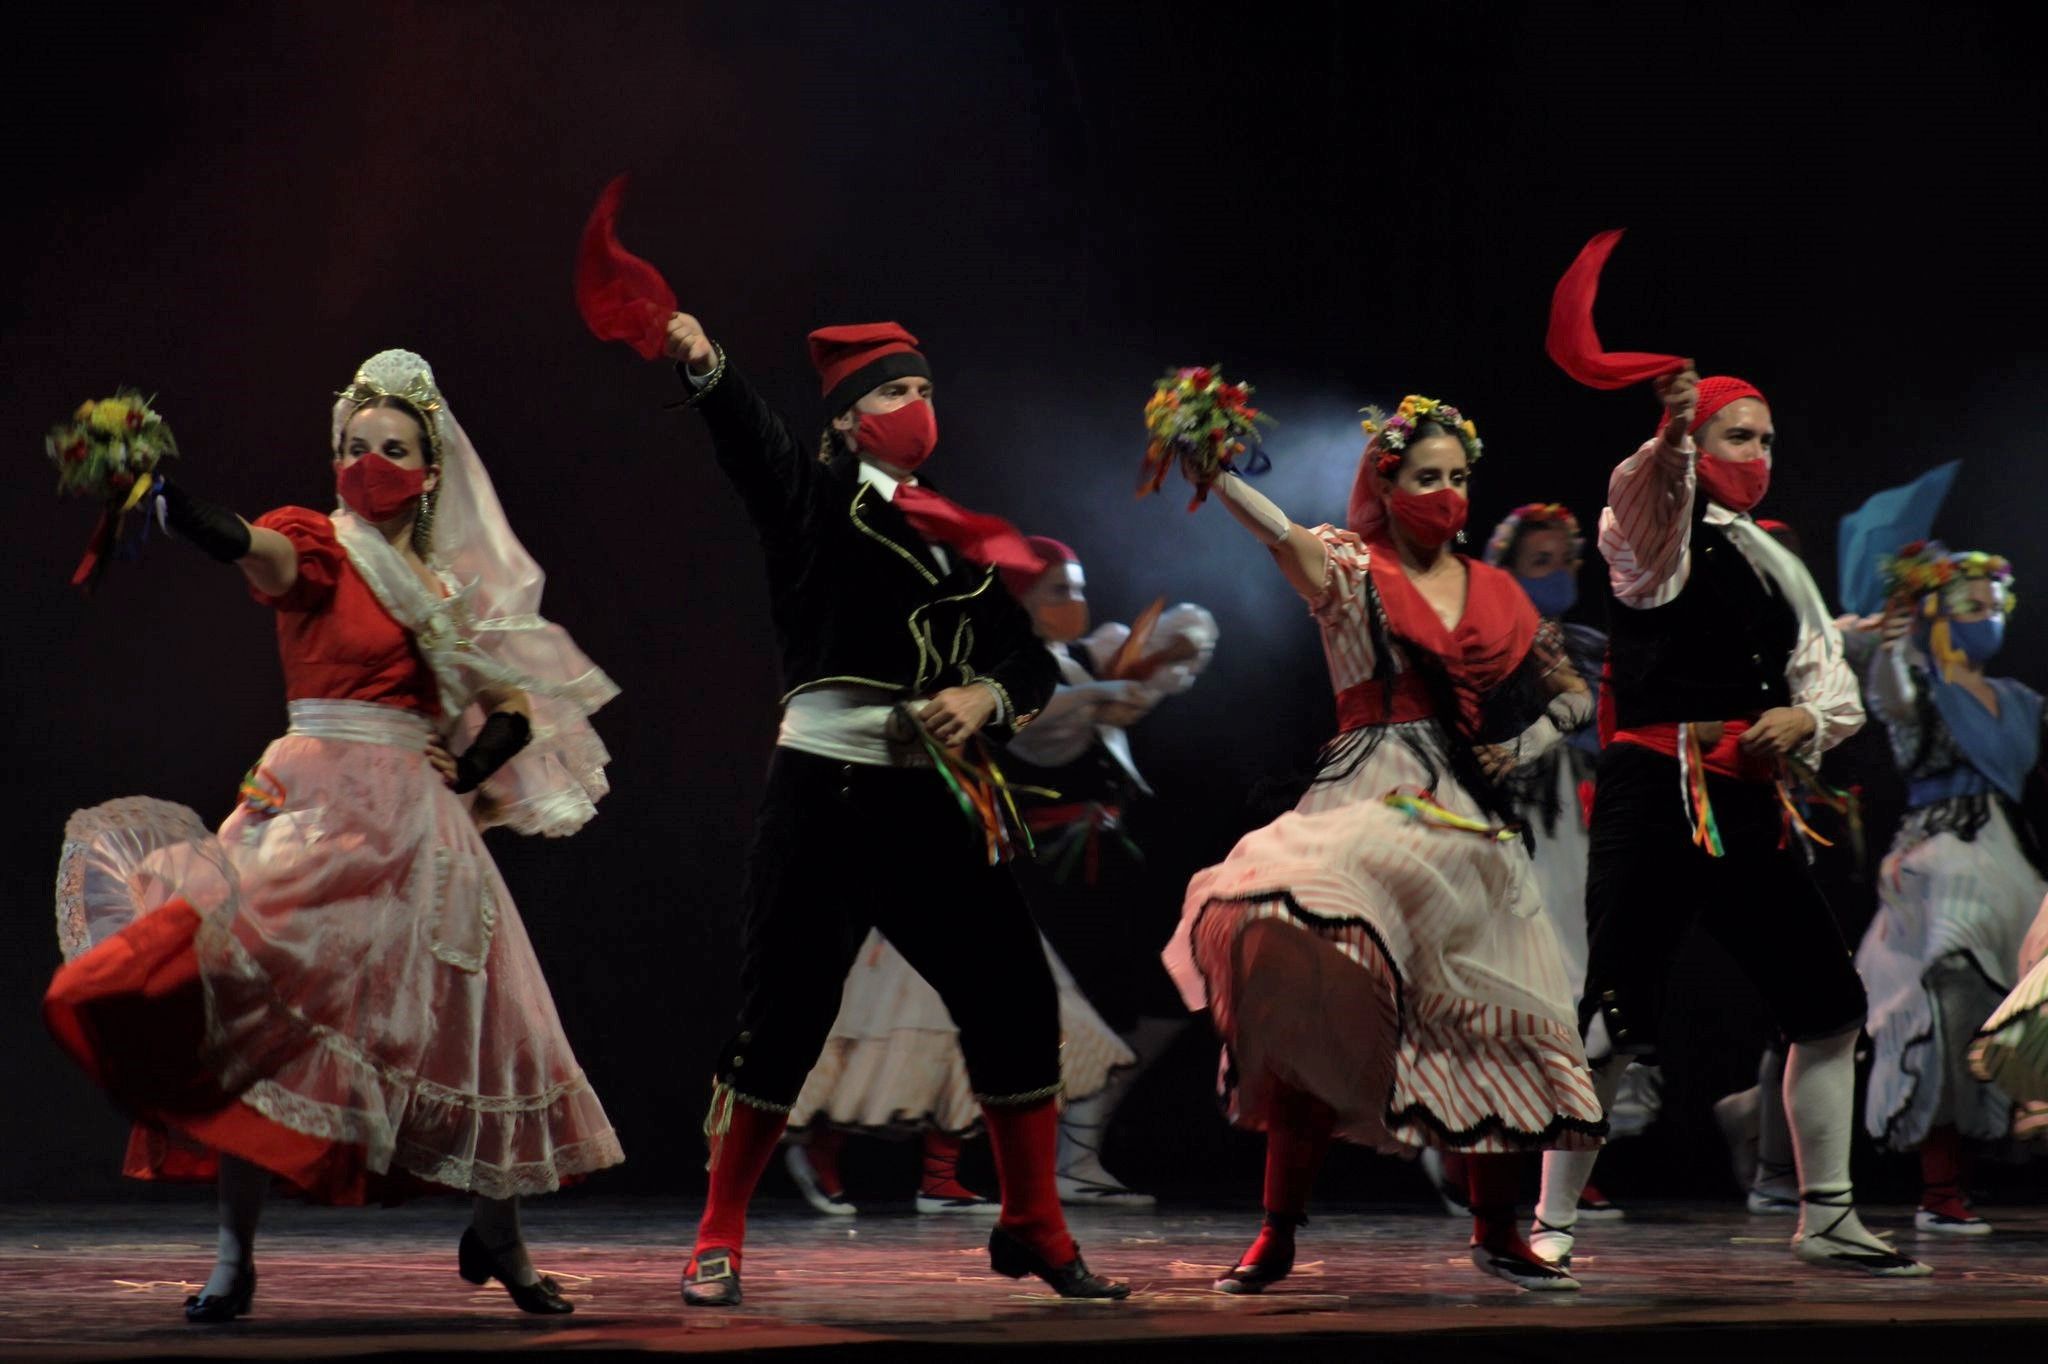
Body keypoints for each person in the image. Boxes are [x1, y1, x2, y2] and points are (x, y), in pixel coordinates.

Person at [43, 350, 622, 1321]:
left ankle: (500, 1235)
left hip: (421, 833)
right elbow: (248, 549)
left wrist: (469, 769)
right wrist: (167, 501)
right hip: (314, 811)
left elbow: (511, 706)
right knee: (249, 1010)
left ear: (429, 472)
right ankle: (233, 1258)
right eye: (353, 446)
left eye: (391, 449)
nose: (368, 462)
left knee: (482, 1029)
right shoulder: (317, 544)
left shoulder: (440, 593)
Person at [663, 314, 1127, 1304]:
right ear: (844, 421)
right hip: (827, 794)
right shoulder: (812, 503)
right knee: (783, 1016)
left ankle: (1032, 1223)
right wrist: (707, 367)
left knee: (1013, 996)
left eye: (921, 390)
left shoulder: (954, 537)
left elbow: (1026, 660)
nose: (915, 409)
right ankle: (719, 1229)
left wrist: (983, 698)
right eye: (890, 394)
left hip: (930, 798)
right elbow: (755, 448)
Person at [1164, 396, 1604, 1293]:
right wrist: (1218, 478)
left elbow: (1571, 693)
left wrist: (1521, 746)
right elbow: (1279, 534)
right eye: (1426, 477)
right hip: (1370, 793)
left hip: (1466, 813)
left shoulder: (1496, 591)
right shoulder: (1351, 569)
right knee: (1317, 981)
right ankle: (1278, 1230)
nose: (1446, 493)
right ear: (1387, 483)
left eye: (1457, 477)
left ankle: (1496, 1230)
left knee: (1490, 1007)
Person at [1527, 367, 1929, 1277]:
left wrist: (1806, 721)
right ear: (1695, 449)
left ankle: (1826, 1216)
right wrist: (1669, 435)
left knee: (1828, 1007)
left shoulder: (1775, 557)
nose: (1759, 455)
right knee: (1616, 1014)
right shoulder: (1654, 532)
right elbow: (1639, 499)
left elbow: (1825, 673)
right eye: (1738, 438)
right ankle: (1551, 1220)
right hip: (1657, 790)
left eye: (1768, 439)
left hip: (1749, 797)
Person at [1854, 541, 2045, 1233]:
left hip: (2010, 861)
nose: (1985, 617)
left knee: (2016, 1010)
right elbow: (1892, 698)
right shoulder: (1919, 685)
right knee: (1940, 1008)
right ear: (1935, 613)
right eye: (1970, 605)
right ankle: (1940, 1188)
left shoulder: (2021, 701)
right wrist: (1893, 644)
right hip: (1937, 860)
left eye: (1995, 605)